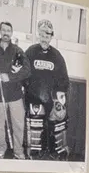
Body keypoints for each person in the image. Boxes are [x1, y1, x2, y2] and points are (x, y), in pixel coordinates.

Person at [21, 17, 72, 160]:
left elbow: (64, 79)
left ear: (51, 36)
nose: (44, 38)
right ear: (39, 35)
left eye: (47, 35)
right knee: (35, 126)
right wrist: (26, 87)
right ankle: (35, 152)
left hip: (52, 97)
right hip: (34, 96)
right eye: (42, 34)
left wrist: (59, 100)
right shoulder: (30, 51)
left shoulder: (57, 56)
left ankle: (56, 152)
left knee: (57, 124)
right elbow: (24, 73)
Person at [0, 20, 30, 160]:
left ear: (11, 33)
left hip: (15, 94)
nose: (6, 33)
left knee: (18, 125)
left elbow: (27, 71)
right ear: (0, 31)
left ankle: (18, 151)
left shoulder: (17, 51)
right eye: (3, 30)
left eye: (8, 31)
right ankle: (1, 149)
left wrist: (10, 77)